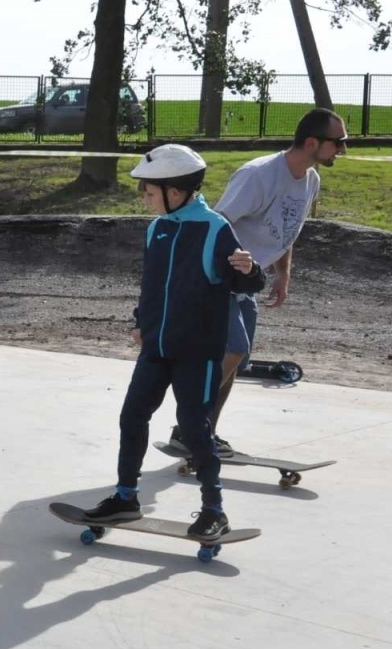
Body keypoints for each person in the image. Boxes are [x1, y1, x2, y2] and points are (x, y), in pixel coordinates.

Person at [78, 144, 265, 544]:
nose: (144, 198)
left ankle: (214, 511)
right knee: (132, 417)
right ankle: (126, 496)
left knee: (196, 430)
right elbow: (152, 286)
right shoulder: (156, 228)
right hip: (156, 348)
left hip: (196, 352)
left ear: (175, 192)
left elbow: (246, 284)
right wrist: (140, 322)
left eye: (148, 191)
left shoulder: (214, 228)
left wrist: (251, 270)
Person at [177, 108, 343, 456]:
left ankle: (205, 432)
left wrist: (282, 273)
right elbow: (215, 224)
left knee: (237, 359)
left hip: (248, 281)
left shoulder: (310, 180)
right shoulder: (259, 176)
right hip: (218, 275)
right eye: (337, 142)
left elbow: (287, 231)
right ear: (312, 142)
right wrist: (210, 277)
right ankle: (188, 428)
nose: (341, 150)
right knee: (233, 349)